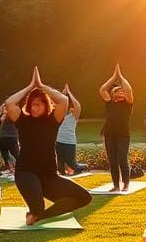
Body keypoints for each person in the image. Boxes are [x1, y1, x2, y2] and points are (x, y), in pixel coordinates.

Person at [5, 66, 92, 225]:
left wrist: (42, 86)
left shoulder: (53, 121)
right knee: (37, 207)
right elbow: (9, 103)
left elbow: (64, 100)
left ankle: (39, 216)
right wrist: (30, 87)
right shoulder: (23, 121)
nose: (33, 107)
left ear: (46, 105)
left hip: (49, 176)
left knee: (84, 197)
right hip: (26, 173)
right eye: (31, 104)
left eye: (38, 104)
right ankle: (37, 213)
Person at [98, 63, 134, 192]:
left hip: (123, 135)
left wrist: (121, 77)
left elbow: (129, 90)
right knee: (112, 161)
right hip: (109, 134)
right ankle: (116, 185)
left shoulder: (128, 104)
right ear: (113, 94)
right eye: (118, 90)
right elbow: (102, 90)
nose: (122, 92)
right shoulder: (110, 103)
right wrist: (114, 77)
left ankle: (126, 184)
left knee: (122, 159)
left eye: (122, 91)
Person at [56, 84, 89, 176]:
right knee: (60, 167)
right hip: (58, 141)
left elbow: (77, 106)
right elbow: (58, 104)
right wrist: (63, 94)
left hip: (69, 142)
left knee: (73, 165)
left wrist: (69, 93)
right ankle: (62, 175)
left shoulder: (73, 116)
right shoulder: (59, 115)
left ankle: (85, 167)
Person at [0, 106, 19, 175]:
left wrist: (5, 113)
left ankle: (23, 168)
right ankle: (10, 169)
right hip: (3, 137)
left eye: (5, 107)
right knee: (5, 155)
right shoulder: (2, 115)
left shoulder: (14, 114)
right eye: (3, 107)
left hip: (12, 137)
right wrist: (0, 113)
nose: (4, 108)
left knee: (16, 154)